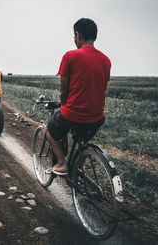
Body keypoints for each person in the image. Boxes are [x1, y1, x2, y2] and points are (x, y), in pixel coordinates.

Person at [46, 18, 111, 175]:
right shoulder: (106, 60)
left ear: (78, 35)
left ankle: (62, 163)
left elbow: (64, 92)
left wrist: (63, 104)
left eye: (74, 36)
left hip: (74, 113)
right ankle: (79, 163)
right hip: (97, 117)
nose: (74, 39)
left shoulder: (70, 56)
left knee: (49, 131)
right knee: (81, 139)